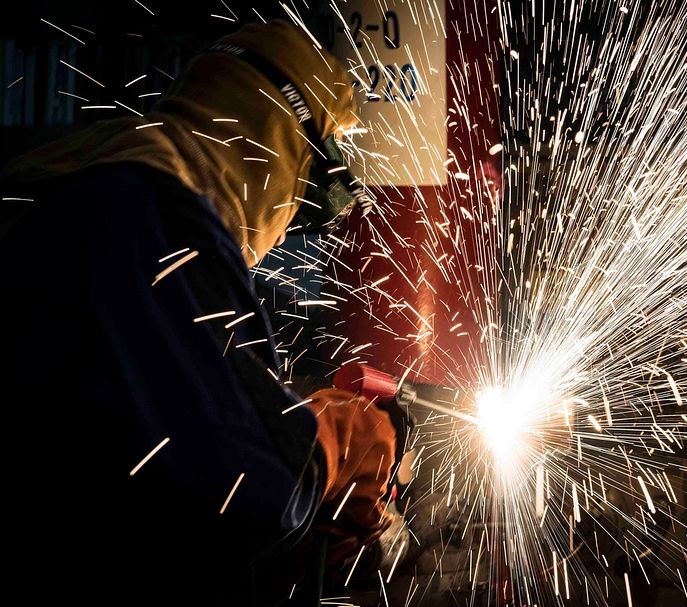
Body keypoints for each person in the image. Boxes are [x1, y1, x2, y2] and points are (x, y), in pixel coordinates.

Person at [0, 20, 397, 605]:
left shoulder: (77, 170)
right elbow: (246, 490)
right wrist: (337, 438)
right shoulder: (162, 211)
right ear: (278, 146)